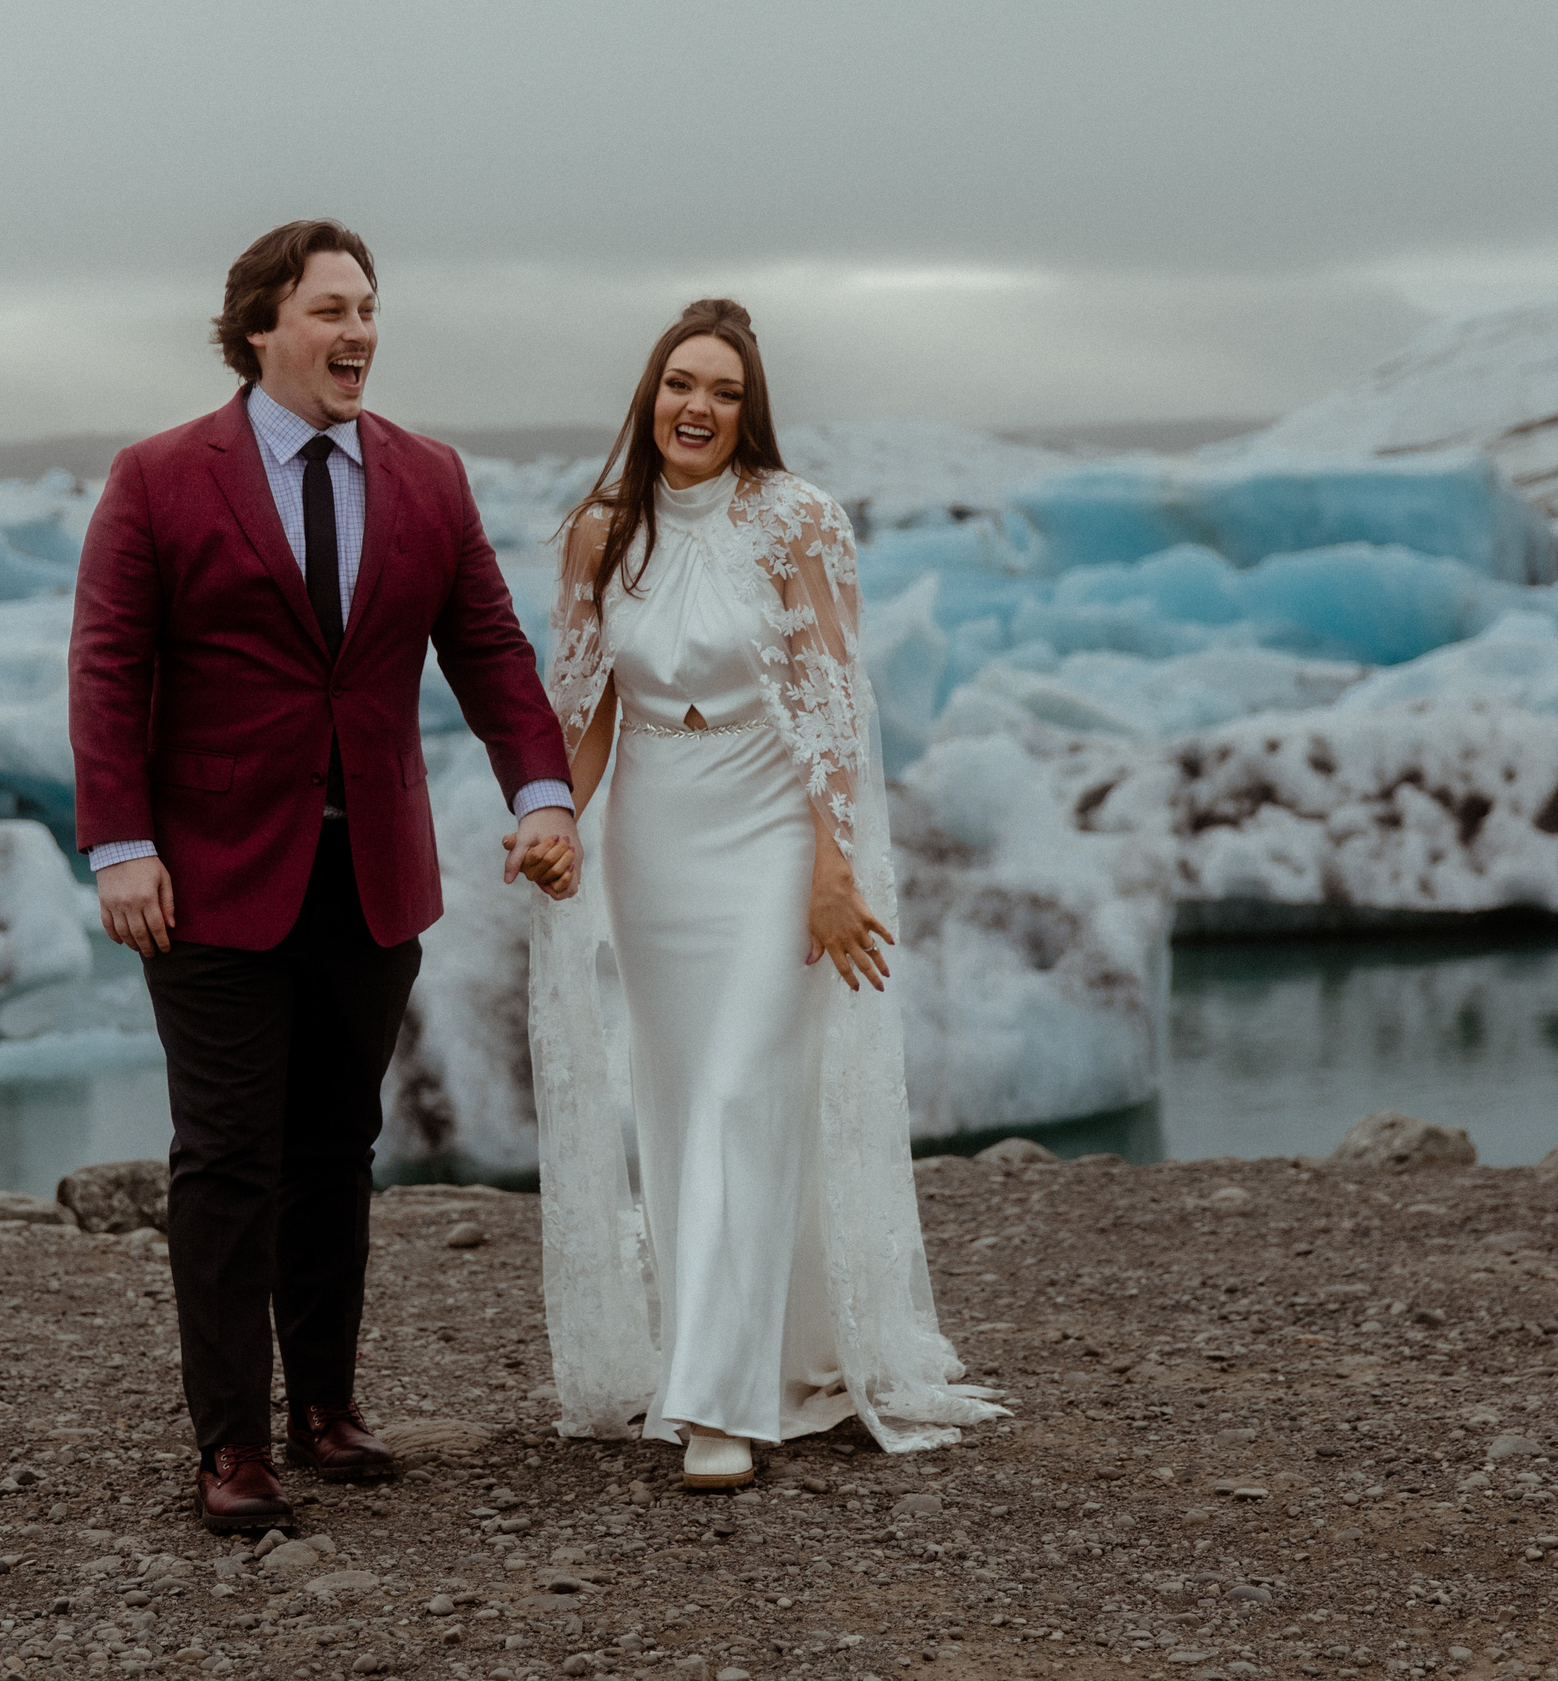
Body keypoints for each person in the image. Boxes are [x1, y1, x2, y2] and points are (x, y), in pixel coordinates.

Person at [69, 220, 582, 1532]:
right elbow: (109, 668)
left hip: (373, 876)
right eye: (330, 310)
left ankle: (328, 1405)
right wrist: (120, 843)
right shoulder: (161, 476)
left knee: (335, 1147)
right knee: (227, 1159)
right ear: (261, 326)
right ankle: (235, 1440)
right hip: (213, 879)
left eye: (368, 308)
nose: (359, 332)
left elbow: (489, 646)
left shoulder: (428, 477)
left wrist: (539, 787)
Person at [522, 298, 1005, 1488]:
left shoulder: (797, 521)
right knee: (684, 1104)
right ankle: (747, 1354)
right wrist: (550, 820)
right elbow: (583, 714)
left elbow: (834, 705)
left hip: (772, 831)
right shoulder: (598, 533)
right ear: (649, 395)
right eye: (682, 384)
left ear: (750, 412)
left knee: (742, 1093)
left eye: (725, 393)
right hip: (656, 842)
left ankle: (719, 1406)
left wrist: (835, 866)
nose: (699, 408)